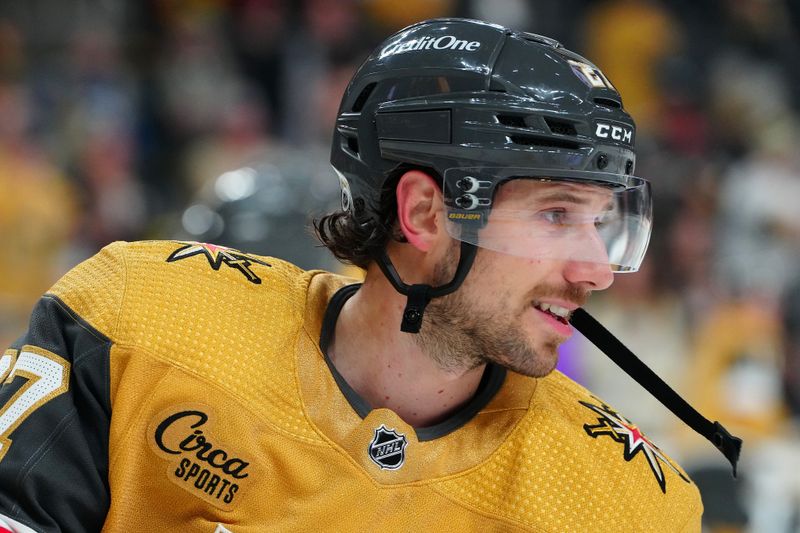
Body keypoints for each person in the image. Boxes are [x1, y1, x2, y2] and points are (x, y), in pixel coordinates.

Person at [0, 18, 703, 532]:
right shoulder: (135, 318)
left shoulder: (623, 505)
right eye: (555, 215)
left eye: (604, 222)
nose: (596, 270)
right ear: (425, 211)